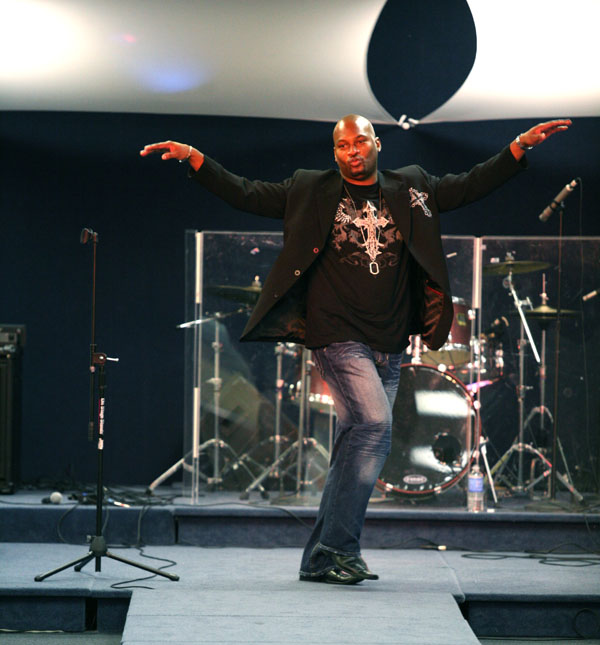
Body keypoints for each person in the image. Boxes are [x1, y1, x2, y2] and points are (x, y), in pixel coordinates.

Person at [141, 115, 571, 585]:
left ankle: (319, 557)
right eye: (343, 145)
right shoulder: (311, 189)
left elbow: (469, 185)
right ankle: (340, 547)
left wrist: (516, 148)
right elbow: (247, 193)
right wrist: (196, 159)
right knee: (374, 427)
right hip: (337, 335)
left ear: (376, 144)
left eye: (360, 141)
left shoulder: (413, 186)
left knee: (355, 443)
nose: (352, 150)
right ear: (335, 153)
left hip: (390, 341)